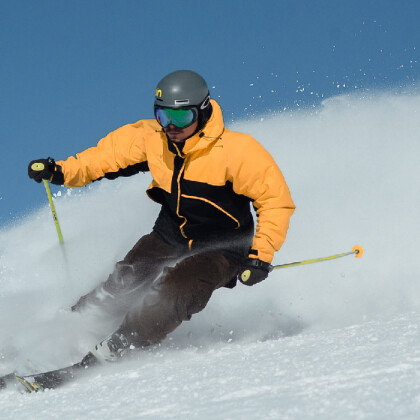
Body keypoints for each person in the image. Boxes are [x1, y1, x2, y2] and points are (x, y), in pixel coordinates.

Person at [28, 70, 295, 365]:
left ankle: (121, 344)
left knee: (175, 290)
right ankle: (69, 330)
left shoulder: (237, 151)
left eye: (180, 118)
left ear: (202, 111)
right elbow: (105, 157)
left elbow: (275, 201)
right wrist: (62, 171)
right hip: (171, 234)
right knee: (125, 280)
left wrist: (260, 255)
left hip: (224, 246)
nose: (170, 126)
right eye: (163, 116)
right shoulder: (154, 139)